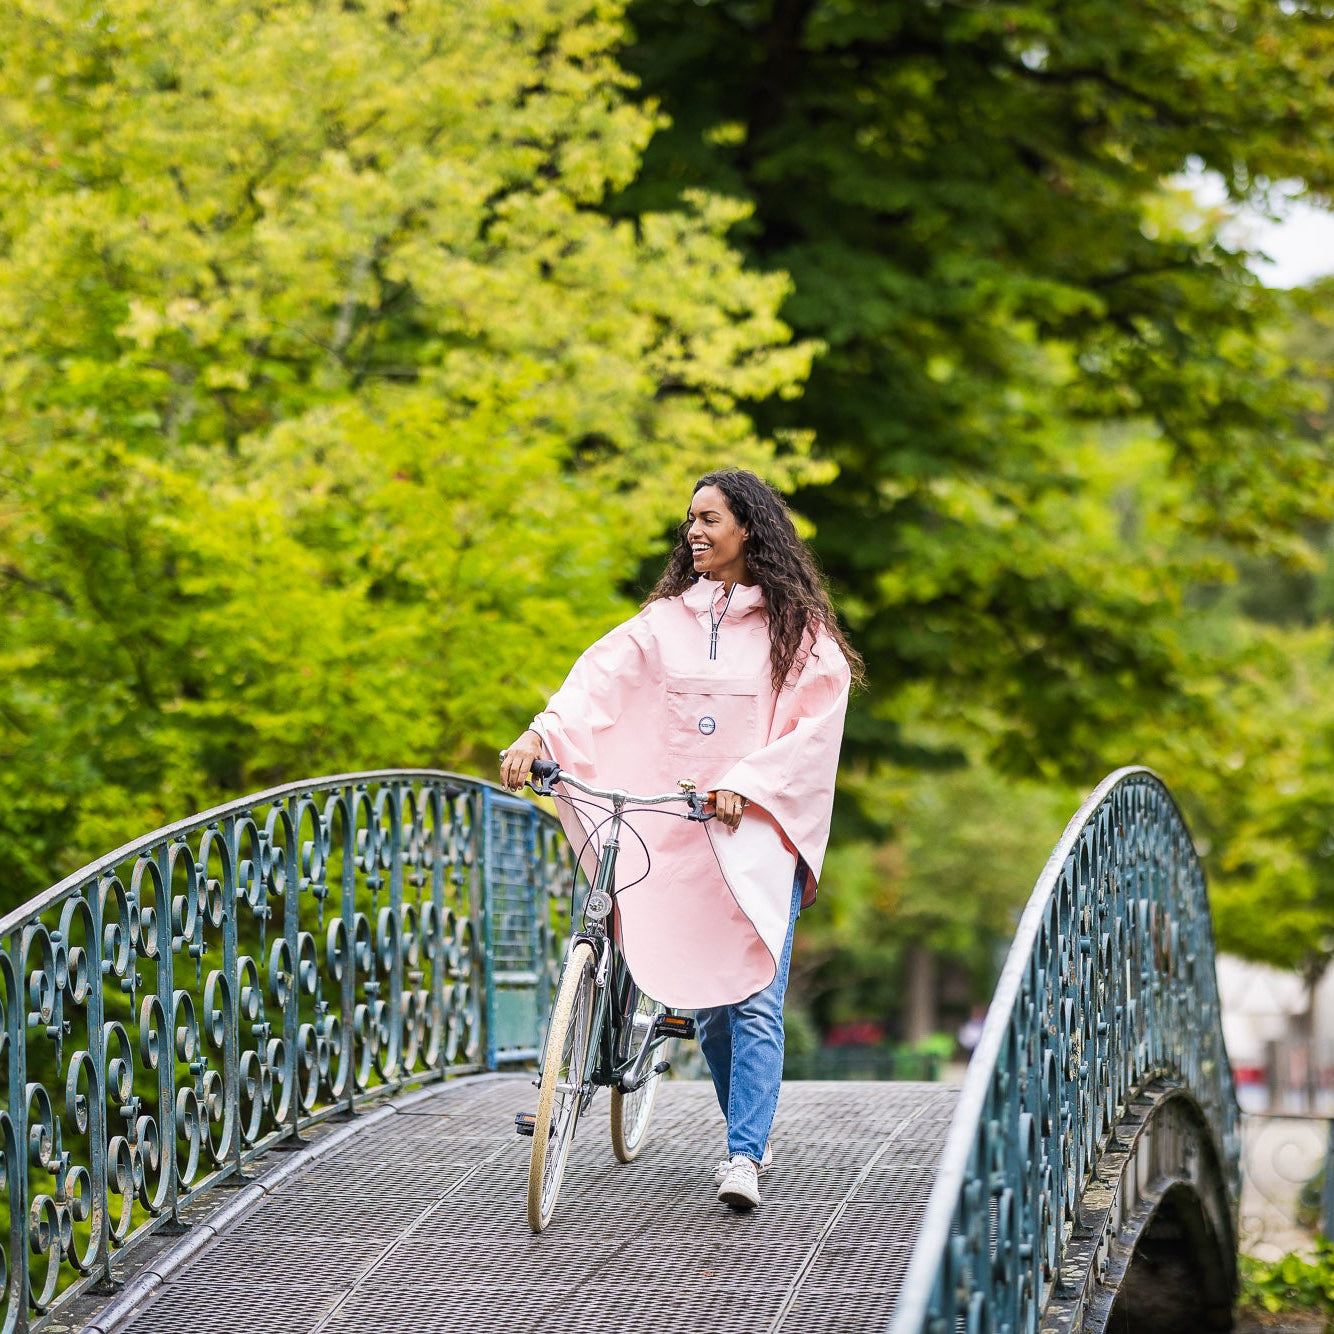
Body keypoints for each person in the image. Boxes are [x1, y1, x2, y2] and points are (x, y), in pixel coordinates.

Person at [500, 469, 860, 1212]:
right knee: (708, 1005)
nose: (694, 531)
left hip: (756, 835)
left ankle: (744, 1154)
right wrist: (540, 733)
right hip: (676, 831)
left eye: (710, 518)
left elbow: (814, 731)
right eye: (690, 519)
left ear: (749, 529)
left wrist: (749, 783)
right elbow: (595, 683)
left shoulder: (799, 634)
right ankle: (735, 1125)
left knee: (754, 996)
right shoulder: (664, 622)